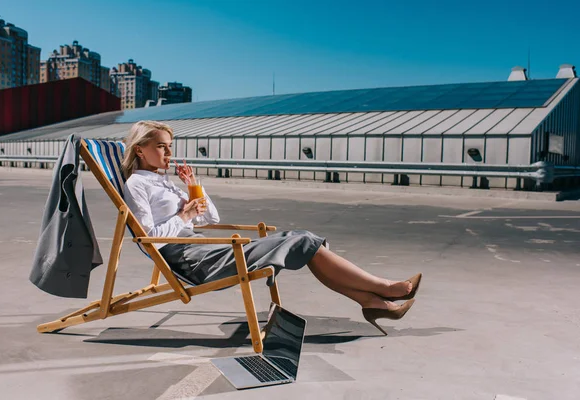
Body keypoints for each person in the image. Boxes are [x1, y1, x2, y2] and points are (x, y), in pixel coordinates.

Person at [121, 120, 421, 334]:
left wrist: (193, 186)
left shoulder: (162, 180)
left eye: (170, 147)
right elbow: (149, 238)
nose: (168, 153)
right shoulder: (136, 184)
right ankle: (383, 291)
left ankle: (373, 300)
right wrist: (184, 217)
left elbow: (209, 217)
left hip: (204, 247)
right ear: (140, 150)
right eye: (161, 147)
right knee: (303, 240)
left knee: (306, 243)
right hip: (196, 259)